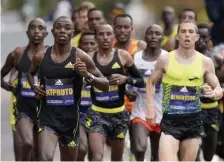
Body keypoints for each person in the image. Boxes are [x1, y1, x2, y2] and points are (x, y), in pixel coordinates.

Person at [27, 16, 108, 161]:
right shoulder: (40, 56)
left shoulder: (80, 56)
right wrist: (34, 86)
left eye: (67, 28)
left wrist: (87, 74)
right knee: (45, 158)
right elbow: (30, 73)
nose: (62, 31)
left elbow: (105, 85)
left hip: (71, 121)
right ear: (52, 31)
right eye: (58, 27)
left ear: (73, 32)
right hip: (47, 119)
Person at [146, 21, 223, 161]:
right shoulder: (165, 59)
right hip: (170, 121)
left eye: (191, 32)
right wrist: (150, 108)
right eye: (183, 31)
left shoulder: (205, 62)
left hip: (193, 122)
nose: (187, 35)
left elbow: (218, 88)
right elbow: (150, 82)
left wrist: (215, 93)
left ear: (197, 37)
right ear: (177, 36)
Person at [85, 24, 144, 161]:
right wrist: (89, 79)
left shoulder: (123, 56)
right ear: (96, 38)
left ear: (113, 36)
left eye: (108, 34)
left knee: (116, 158)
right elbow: (81, 82)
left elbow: (140, 81)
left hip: (118, 115)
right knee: (97, 157)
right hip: (96, 114)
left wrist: (126, 79)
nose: (105, 37)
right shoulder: (89, 58)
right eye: (101, 34)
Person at [1, 18, 48, 161]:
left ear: (46, 33)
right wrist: (6, 86)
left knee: (40, 155)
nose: (36, 31)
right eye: (33, 28)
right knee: (27, 144)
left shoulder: (50, 54)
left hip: (45, 111)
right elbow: (2, 74)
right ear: (27, 32)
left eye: (40, 28)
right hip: (23, 109)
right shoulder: (18, 53)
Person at [112, 13, 146, 160]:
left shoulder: (140, 47)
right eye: (119, 27)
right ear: (114, 29)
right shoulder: (109, 48)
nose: (122, 30)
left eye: (126, 27)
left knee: (137, 147)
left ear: (132, 29)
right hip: (115, 105)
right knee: (117, 146)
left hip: (138, 105)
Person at [131, 24, 167, 161]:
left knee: (157, 156)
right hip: (141, 110)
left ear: (162, 38)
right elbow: (129, 80)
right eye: (150, 33)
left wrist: (164, 80)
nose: (153, 36)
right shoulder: (136, 58)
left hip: (162, 112)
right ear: (145, 37)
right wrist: (130, 90)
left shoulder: (168, 57)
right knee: (140, 148)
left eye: (157, 34)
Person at [195, 23, 220, 161]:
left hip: (211, 108)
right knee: (193, 148)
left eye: (205, 37)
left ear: (209, 39)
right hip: (192, 108)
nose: (201, 41)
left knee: (209, 152)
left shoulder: (216, 59)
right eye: (199, 37)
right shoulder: (186, 58)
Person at [77, 31, 98, 161]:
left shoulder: (103, 64)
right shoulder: (73, 64)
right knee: (82, 147)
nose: (89, 47)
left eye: (92, 43)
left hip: (97, 114)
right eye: (85, 44)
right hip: (78, 114)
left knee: (94, 153)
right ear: (79, 45)